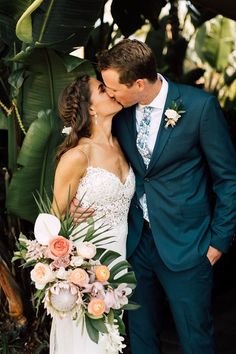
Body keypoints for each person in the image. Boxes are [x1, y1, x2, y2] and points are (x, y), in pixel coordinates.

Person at [94, 39, 236, 354]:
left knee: (195, 337)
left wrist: (218, 242)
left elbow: (228, 179)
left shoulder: (200, 107)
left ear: (139, 83)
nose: (109, 93)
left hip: (189, 244)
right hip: (136, 243)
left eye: (114, 87)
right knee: (141, 336)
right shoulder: (120, 112)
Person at [50, 74, 135, 354]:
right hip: (86, 273)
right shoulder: (77, 156)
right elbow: (53, 221)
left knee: (110, 343)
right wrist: (72, 272)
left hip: (118, 268)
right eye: (102, 88)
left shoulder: (123, 143)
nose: (110, 90)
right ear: (91, 109)